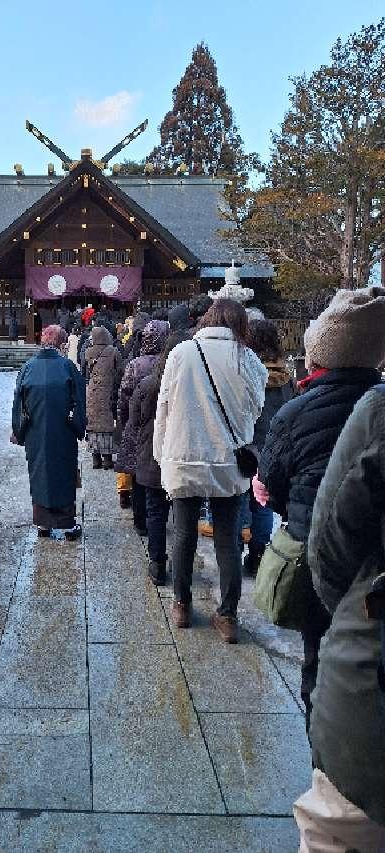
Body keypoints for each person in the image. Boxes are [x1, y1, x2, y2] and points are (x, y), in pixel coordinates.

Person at [256, 285, 385, 729]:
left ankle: (323, 758)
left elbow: (271, 483)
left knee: (319, 659)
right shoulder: (379, 409)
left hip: (319, 553)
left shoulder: (296, 412)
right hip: (374, 565)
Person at [294, 385, 385, 853]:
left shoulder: (378, 411)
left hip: (369, 688)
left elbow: (329, 552)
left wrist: (350, 614)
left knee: (338, 831)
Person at [153, 299, 267, 643]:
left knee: (184, 533)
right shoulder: (246, 358)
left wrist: (162, 453)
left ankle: (182, 603)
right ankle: (228, 615)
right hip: (228, 459)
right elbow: (256, 407)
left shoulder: (182, 352)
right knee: (228, 538)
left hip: (184, 454)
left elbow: (165, 405)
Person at [128, 328, 193, 584]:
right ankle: (182, 567)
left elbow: (133, 419)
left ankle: (157, 563)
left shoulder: (147, 384)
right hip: (184, 454)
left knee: (156, 512)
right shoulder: (194, 387)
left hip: (152, 453)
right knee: (183, 516)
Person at [12, 325, 86, 540]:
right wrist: (79, 426)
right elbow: (79, 400)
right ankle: (67, 524)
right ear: (62, 344)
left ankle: (43, 524)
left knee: (40, 475)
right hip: (63, 432)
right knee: (63, 474)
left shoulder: (28, 368)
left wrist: (19, 430)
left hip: (35, 432)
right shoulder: (67, 366)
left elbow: (19, 402)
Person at [240, 319, 295, 575]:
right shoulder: (287, 376)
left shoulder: (248, 373)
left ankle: (237, 542)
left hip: (246, 445)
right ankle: (258, 553)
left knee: (241, 498)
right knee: (263, 503)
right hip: (275, 448)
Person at [116, 320, 170, 534]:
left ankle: (140, 521)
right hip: (165, 425)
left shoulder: (136, 364)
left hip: (137, 424)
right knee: (160, 474)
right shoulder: (170, 363)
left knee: (139, 474)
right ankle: (159, 518)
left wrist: (125, 421)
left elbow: (124, 396)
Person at [84, 325, 123, 470]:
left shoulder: (88, 352)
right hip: (108, 392)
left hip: (92, 393)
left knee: (93, 425)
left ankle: (95, 459)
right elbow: (120, 371)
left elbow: (85, 372)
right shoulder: (113, 352)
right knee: (106, 426)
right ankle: (107, 460)